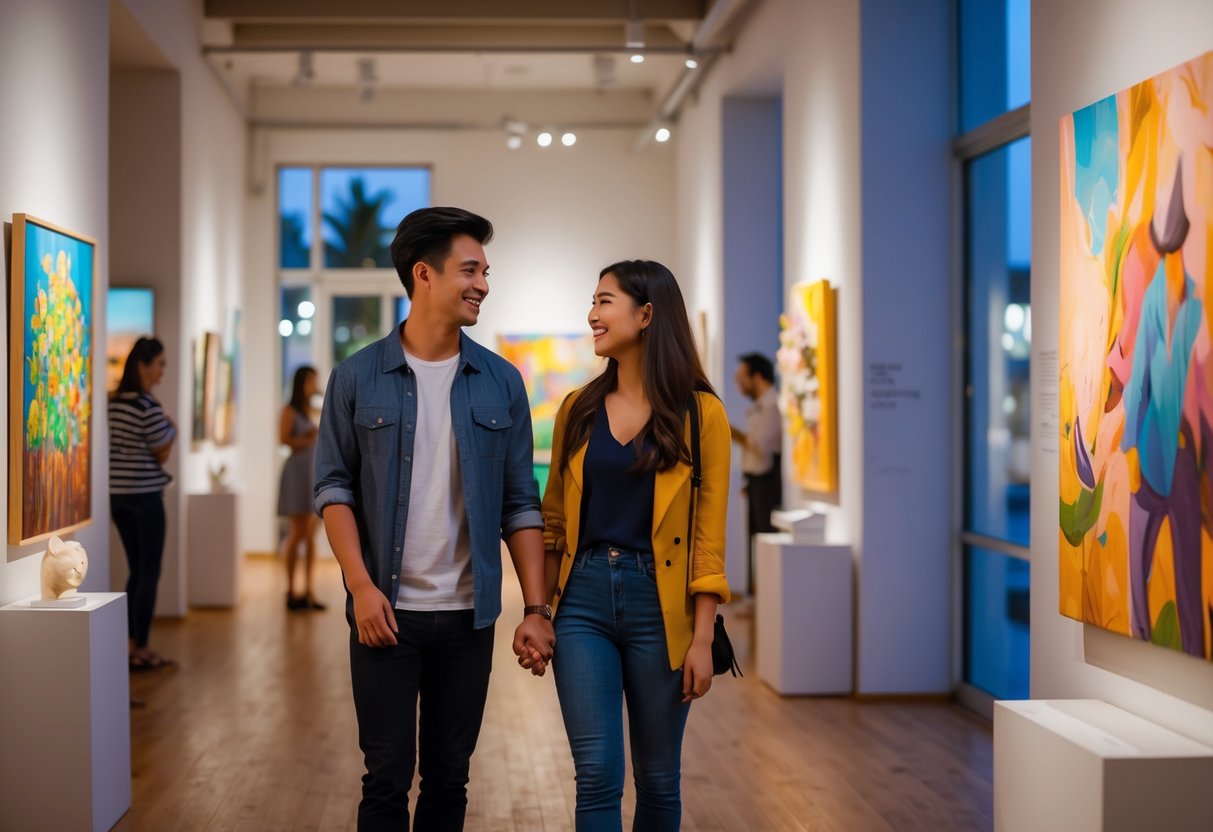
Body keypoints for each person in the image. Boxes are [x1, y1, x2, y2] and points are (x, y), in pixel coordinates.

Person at [313, 206, 554, 831]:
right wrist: (361, 587)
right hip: (384, 616)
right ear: (424, 274)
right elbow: (332, 487)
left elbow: (520, 501)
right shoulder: (357, 376)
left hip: (468, 619)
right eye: (470, 269)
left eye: (486, 271)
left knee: (450, 779)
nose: (483, 284)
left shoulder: (501, 382)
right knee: (386, 779)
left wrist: (535, 607)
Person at [535, 260, 731, 831]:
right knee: (596, 774)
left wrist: (701, 639)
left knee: (658, 777)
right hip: (583, 603)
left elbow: (707, 539)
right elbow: (554, 524)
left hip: (661, 605)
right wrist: (540, 611)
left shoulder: (701, 415)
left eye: (603, 302)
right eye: (592, 303)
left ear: (646, 315)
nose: (591, 315)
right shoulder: (577, 409)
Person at [109, 337, 177, 672]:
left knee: (136, 571)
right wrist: (172, 429)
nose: (163, 371)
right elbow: (161, 451)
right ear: (143, 365)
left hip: (117, 497)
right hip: (146, 497)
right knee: (150, 572)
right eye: (160, 364)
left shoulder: (112, 403)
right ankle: (142, 646)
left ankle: (129, 644)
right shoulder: (147, 407)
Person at [730, 352, 782, 595]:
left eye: (742, 377)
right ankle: (757, 597)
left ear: (757, 377)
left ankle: (767, 595)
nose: (738, 382)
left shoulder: (772, 406)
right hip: (755, 481)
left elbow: (761, 447)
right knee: (753, 539)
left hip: (767, 483)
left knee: (763, 538)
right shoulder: (761, 407)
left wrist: (730, 432)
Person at [277, 365, 324, 611]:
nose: (313, 385)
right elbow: (283, 440)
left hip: (311, 472)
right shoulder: (289, 411)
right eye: (311, 381)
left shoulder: (310, 409)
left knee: (311, 534)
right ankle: (291, 589)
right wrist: (308, 437)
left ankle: (308, 590)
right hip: (297, 473)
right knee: (298, 533)